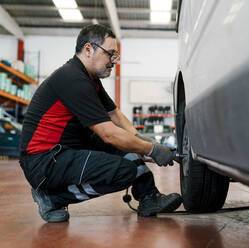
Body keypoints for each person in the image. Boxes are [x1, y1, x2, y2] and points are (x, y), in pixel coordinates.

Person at [19, 24, 182, 223]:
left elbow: (115, 115)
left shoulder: (89, 79)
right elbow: (109, 133)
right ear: (88, 49)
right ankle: (53, 198)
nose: (113, 61)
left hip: (65, 149)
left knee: (128, 145)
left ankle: (149, 197)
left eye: (115, 56)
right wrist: (152, 150)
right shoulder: (72, 79)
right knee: (123, 170)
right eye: (110, 54)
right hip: (44, 160)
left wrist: (139, 139)